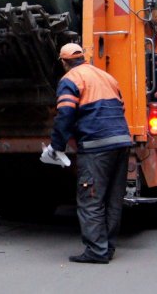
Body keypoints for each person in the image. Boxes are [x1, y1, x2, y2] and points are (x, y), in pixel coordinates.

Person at [41, 43, 132, 264]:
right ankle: (107, 248)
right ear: (84, 58)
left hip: (96, 146)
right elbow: (121, 108)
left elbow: (65, 115)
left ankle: (96, 251)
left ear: (64, 62)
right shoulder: (106, 77)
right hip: (121, 142)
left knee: (90, 198)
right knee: (112, 199)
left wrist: (56, 146)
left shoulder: (70, 80)